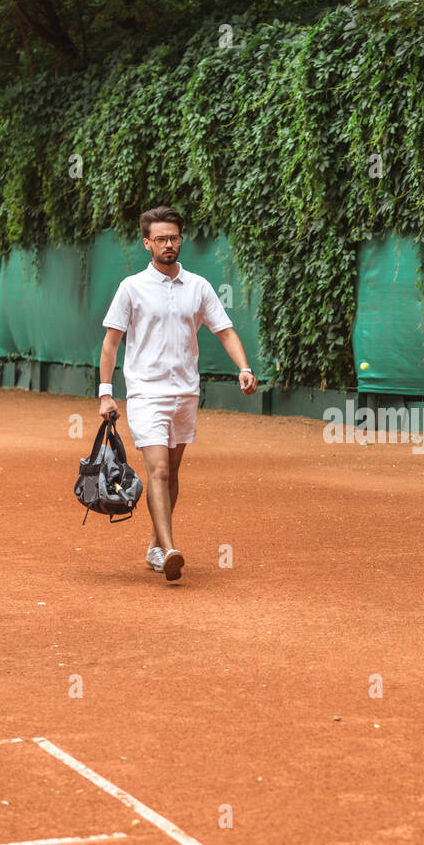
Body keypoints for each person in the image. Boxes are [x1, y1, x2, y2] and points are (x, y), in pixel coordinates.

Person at [97, 205, 257, 580]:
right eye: (161, 239)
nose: (169, 244)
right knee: (160, 471)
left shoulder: (198, 286)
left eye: (174, 238)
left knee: (173, 471)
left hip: (185, 393)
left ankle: (155, 546)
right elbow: (110, 344)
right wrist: (106, 393)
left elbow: (225, 330)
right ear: (147, 243)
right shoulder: (131, 288)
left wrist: (244, 368)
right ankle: (169, 549)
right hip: (145, 394)